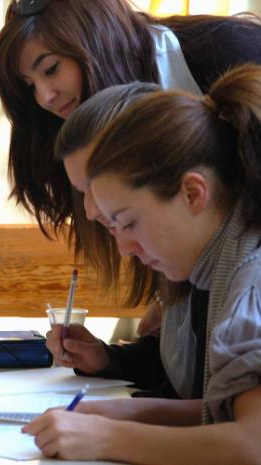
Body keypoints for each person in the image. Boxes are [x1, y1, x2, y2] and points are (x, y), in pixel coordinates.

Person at [25, 64, 261, 463]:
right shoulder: (228, 260)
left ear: (192, 193)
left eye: (129, 221)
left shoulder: (249, 278)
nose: (124, 249)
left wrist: (105, 439)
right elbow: (225, 414)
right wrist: (122, 412)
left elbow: (251, 445)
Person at [0, 0, 261, 315]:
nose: (45, 96)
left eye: (51, 69)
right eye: (30, 87)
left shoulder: (224, 53)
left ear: (96, 41)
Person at [46, 82, 204, 400]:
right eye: (81, 192)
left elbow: (221, 419)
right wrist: (109, 359)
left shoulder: (229, 269)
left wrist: (111, 422)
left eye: (95, 186)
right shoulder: (178, 251)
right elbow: (181, 371)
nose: (90, 211)